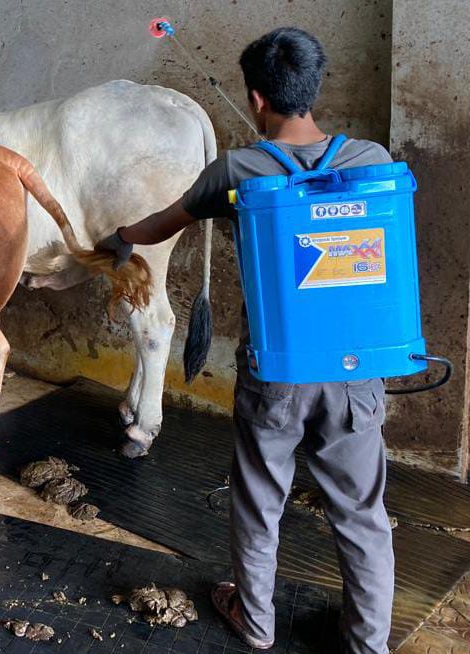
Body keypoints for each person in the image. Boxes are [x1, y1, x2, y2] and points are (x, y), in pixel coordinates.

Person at [95, 27, 394, 654]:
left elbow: (162, 223)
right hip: (357, 373)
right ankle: (369, 644)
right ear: (314, 89)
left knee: (260, 501)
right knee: (363, 516)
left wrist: (120, 234)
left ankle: (256, 624)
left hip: (277, 376)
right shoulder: (372, 163)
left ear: (256, 98)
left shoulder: (239, 170)